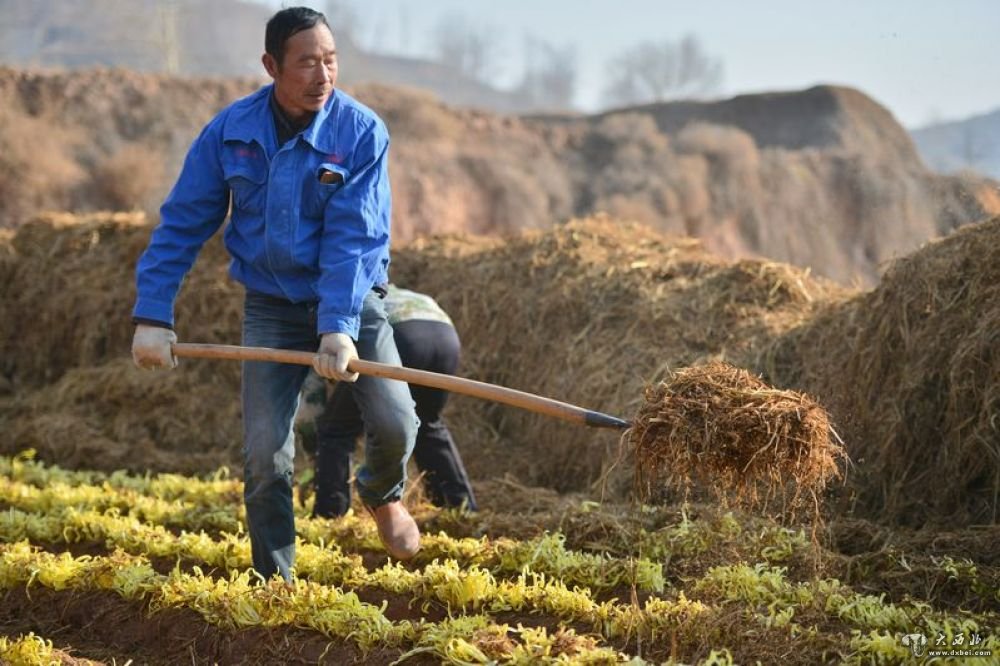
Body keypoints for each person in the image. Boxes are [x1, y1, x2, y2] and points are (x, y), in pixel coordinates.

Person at [129, 6, 420, 580]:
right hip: (271, 304)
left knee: (396, 421)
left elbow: (354, 237)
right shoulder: (230, 133)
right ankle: (274, 583)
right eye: (307, 62)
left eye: (331, 60)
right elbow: (183, 223)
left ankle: (382, 492)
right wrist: (153, 314)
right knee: (265, 455)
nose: (322, 75)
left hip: (353, 300)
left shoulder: (360, 132)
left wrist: (337, 325)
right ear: (271, 66)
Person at [302, 285, 478, 518]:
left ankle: (330, 513)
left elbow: (312, 389)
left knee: (336, 429)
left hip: (398, 335)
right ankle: (459, 508)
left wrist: (313, 447)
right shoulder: (387, 288)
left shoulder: (335, 299)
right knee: (428, 423)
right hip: (445, 338)